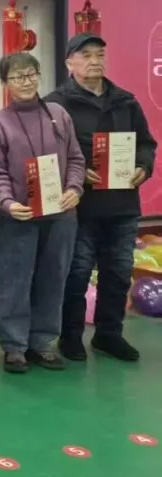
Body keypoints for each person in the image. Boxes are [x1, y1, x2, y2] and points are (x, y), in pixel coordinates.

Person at [45, 32, 157, 362]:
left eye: (99, 54)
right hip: (79, 207)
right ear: (69, 63)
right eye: (86, 55)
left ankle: (109, 335)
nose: (94, 61)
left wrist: (143, 167)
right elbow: (47, 152)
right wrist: (77, 173)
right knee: (77, 274)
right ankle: (70, 336)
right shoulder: (55, 104)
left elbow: (146, 144)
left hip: (122, 206)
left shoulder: (126, 101)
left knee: (118, 273)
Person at [0, 53, 84, 373]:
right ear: (5, 84)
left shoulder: (58, 114)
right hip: (17, 218)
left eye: (31, 74)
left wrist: (74, 189)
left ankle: (43, 343)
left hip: (60, 216)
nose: (26, 82)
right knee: (12, 282)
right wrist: (7, 202)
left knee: (53, 279)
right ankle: (14, 346)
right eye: (17, 77)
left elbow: (76, 159)